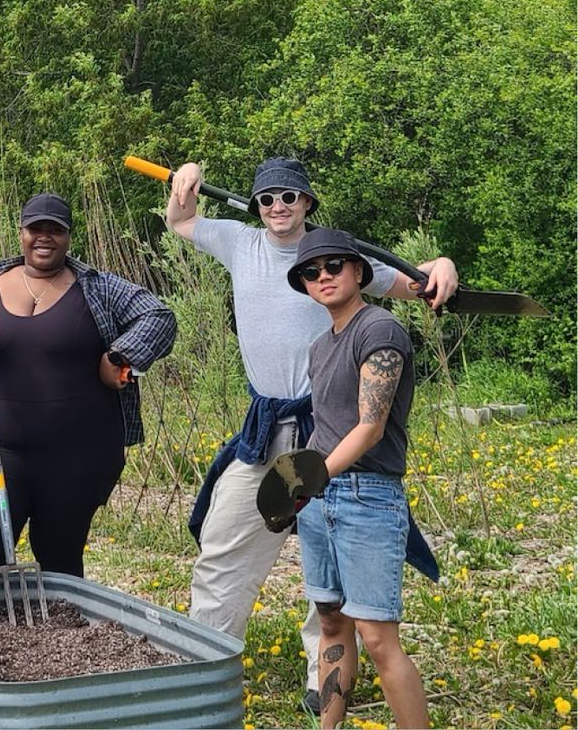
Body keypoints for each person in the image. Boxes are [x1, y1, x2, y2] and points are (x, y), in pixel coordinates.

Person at [165, 158, 456, 712]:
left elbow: (420, 285)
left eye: (290, 197)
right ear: (256, 206)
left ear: (307, 204)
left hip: (331, 437)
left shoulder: (338, 257)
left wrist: (442, 265)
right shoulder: (240, 244)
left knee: (330, 566)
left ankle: (319, 684)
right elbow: (181, 222)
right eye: (268, 198)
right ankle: (202, 665)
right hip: (267, 428)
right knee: (224, 544)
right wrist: (187, 177)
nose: (279, 206)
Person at [0, 193, 177, 577]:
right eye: (35, 228)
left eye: (55, 230)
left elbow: (159, 317)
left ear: (68, 236)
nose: (44, 237)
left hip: (75, 455)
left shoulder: (98, 288)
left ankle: (58, 636)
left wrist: (118, 357)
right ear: (21, 233)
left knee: (59, 556)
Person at [290, 227, 429, 728]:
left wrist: (311, 478)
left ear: (357, 271)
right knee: (331, 622)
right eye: (311, 271)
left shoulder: (379, 329)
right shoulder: (320, 345)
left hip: (367, 496)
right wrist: (293, 489)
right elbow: (325, 427)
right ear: (304, 283)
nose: (323, 276)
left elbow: (369, 428)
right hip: (319, 497)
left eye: (333, 266)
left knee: (377, 637)